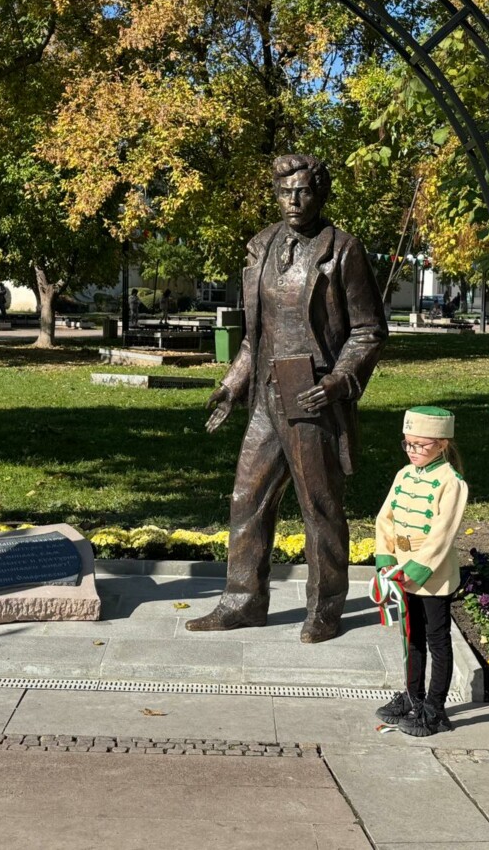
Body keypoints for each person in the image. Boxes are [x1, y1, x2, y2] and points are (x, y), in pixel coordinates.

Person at [186, 154, 388, 643]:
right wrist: (232, 386)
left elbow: (368, 330)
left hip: (312, 393)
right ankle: (244, 600)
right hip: (265, 396)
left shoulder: (343, 250)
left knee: (318, 503)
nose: (293, 201)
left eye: (302, 191)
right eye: (284, 192)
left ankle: (325, 607)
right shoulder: (260, 247)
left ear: (320, 193)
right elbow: (256, 337)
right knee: (246, 496)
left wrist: (338, 382)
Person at [371, 407, 468, 736]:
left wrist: (412, 570)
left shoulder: (452, 483)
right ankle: (414, 698)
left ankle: (435, 709)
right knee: (410, 639)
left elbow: (442, 535)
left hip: (432, 576)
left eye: (420, 445)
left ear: (441, 444)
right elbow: (385, 519)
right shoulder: (403, 475)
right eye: (408, 444)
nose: (412, 451)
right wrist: (386, 561)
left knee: (437, 641)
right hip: (400, 574)